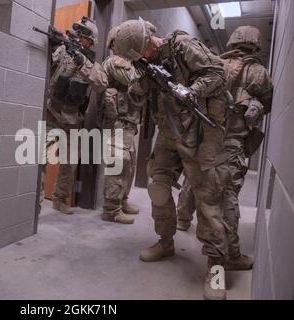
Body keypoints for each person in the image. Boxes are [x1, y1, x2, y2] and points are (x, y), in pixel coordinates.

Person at [114, 19, 231, 300]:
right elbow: (134, 96)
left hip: (199, 134)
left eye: (141, 52)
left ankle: (216, 266)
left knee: (208, 198)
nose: (141, 58)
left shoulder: (183, 47)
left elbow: (218, 74)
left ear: (148, 42)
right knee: (158, 188)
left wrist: (190, 90)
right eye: (136, 57)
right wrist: (141, 84)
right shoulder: (144, 64)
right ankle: (165, 242)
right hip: (168, 134)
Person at [175, 26, 273, 272]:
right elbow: (269, 103)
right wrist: (255, 104)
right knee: (227, 197)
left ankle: (183, 219)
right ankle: (227, 255)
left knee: (196, 180)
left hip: (205, 138)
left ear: (232, 42)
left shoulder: (215, 63)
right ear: (255, 44)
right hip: (232, 144)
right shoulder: (260, 73)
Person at [41, 17, 108, 215]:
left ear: (91, 41)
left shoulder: (92, 64)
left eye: (84, 37)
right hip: (52, 112)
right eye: (78, 34)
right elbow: (48, 63)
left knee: (70, 162)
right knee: (41, 159)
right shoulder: (63, 50)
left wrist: (82, 63)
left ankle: (60, 199)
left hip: (72, 119)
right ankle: (34, 202)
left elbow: (101, 83)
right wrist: (53, 43)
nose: (79, 39)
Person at [99, 26, 147, 224]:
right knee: (119, 164)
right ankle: (111, 210)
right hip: (117, 123)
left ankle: (122, 200)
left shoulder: (129, 62)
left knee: (129, 165)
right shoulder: (114, 62)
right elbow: (134, 81)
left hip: (128, 123)